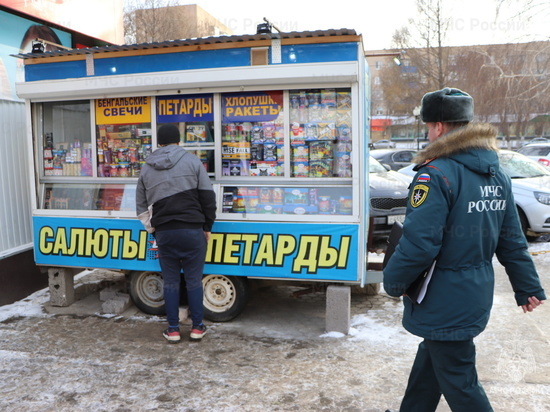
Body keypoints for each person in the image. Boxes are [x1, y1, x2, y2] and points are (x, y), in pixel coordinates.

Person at [383, 87, 546, 412]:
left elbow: (419, 244)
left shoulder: (436, 175)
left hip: (443, 298)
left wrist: (393, 281)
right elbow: (512, 238)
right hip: (472, 294)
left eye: (428, 126)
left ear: (440, 127)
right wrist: (527, 285)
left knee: (460, 381)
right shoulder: (495, 173)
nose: (428, 133)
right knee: (432, 363)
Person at [136, 124, 216, 343]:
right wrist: (208, 226)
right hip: (192, 230)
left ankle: (172, 330)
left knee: (170, 282)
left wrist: (153, 228)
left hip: (165, 233)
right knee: (193, 281)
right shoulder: (192, 161)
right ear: (178, 141)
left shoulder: (146, 168)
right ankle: (197, 328)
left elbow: (141, 207)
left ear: (159, 143)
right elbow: (208, 197)